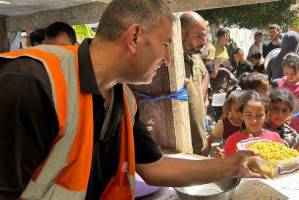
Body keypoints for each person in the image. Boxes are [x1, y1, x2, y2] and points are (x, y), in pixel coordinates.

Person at [0, 1, 256, 199]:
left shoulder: (123, 98)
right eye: (165, 43)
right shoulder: (31, 84)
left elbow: (154, 167)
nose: (168, 58)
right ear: (134, 37)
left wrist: (232, 166)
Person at [180, 12, 210, 154]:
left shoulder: (195, 56)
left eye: (205, 36)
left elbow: (205, 74)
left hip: (200, 142)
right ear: (181, 33)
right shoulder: (169, 62)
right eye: (199, 36)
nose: (203, 42)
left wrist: (200, 97)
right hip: (184, 146)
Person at [223, 91, 283, 156]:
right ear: (241, 115)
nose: (254, 121)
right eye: (248, 115)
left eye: (259, 115)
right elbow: (228, 164)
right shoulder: (232, 141)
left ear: (266, 115)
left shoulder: (274, 138)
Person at [203, 89, 244, 156]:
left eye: (243, 110)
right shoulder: (223, 124)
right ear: (229, 109)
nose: (241, 114)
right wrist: (205, 158)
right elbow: (209, 140)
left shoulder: (249, 123)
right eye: (237, 110)